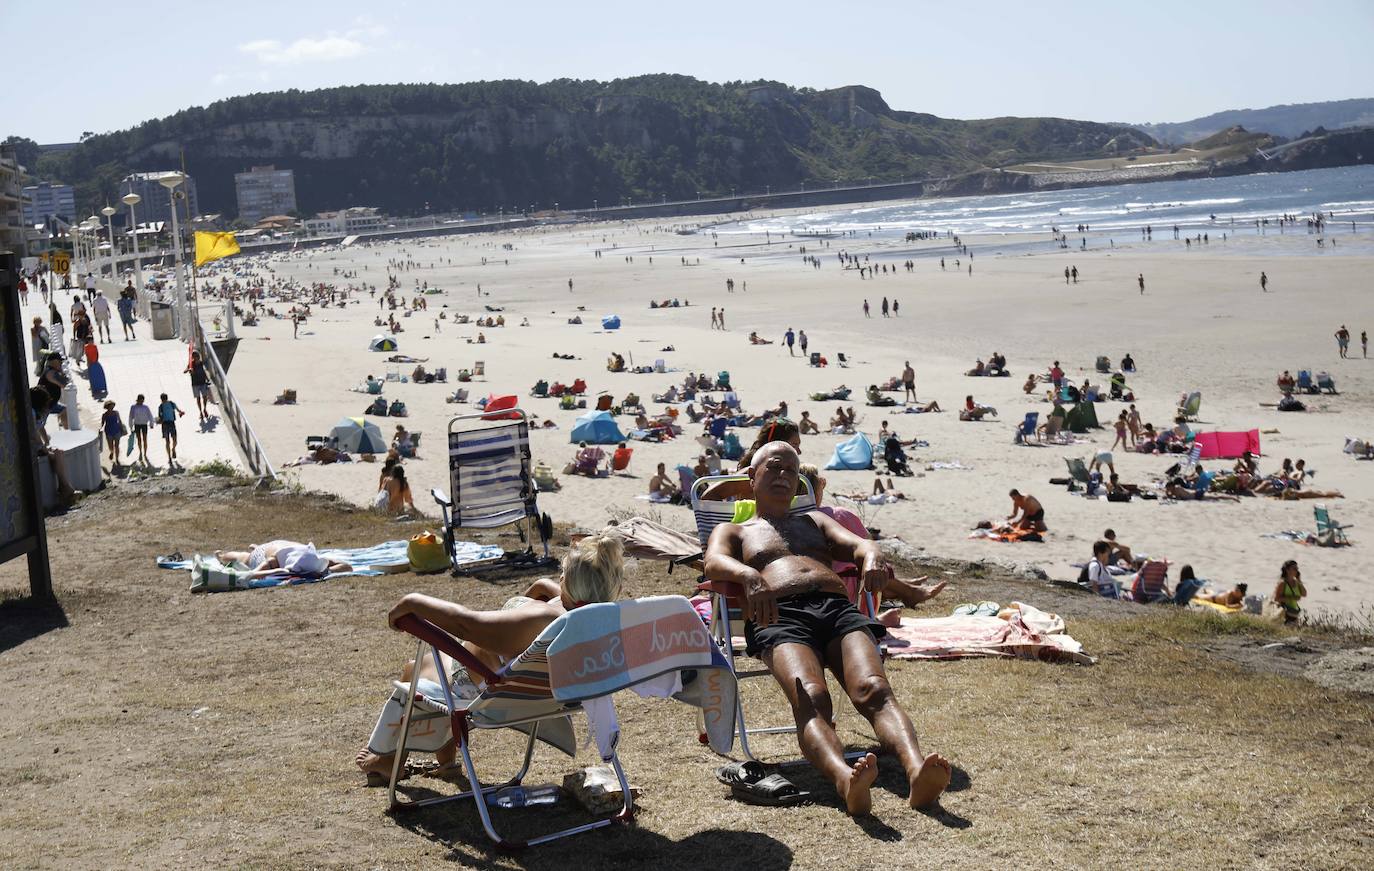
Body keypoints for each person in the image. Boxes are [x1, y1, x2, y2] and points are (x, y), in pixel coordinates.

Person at [704, 443, 950, 815]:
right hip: (780, 615)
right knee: (812, 698)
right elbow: (713, 562)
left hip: (836, 608)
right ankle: (845, 779)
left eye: (793, 470)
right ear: (751, 479)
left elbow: (860, 544)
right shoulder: (735, 530)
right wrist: (749, 574)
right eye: (775, 468)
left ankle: (917, 772)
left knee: (875, 689)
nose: (785, 476)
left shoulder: (815, 522)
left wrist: (872, 557)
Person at [355, 536, 626, 782]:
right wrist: (541, 588)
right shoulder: (596, 617)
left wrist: (412, 602)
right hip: (540, 694)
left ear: (573, 587)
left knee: (415, 670)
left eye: (563, 574)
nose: (559, 578)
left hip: (482, 687)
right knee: (435, 668)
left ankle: (388, 760)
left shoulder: (542, 619)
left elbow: (466, 624)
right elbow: (559, 597)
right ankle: (446, 761)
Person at [216, 540, 352, 580]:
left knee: (249, 554)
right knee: (243, 558)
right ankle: (221, 556)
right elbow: (253, 575)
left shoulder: (311, 557)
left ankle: (255, 546)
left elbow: (346, 566)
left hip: (282, 547)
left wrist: (325, 571)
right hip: (265, 553)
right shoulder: (273, 562)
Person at [156, 393, 184, 463]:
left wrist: (181, 412)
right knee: (168, 441)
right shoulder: (161, 407)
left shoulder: (171, 404)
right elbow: (160, 417)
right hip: (165, 424)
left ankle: (173, 449)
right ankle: (169, 457)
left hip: (170, 423)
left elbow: (178, 410)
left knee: (174, 440)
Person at [185, 350, 212, 422]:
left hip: (202, 382)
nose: (197, 358)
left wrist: (207, 378)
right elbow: (187, 369)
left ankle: (205, 409)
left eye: (197, 356)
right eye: (196, 356)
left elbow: (203, 371)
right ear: (194, 357)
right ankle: (200, 412)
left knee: (205, 397)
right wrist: (188, 370)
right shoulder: (191, 364)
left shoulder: (200, 363)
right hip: (195, 384)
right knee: (198, 398)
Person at [128, 394, 154, 465]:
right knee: (139, 439)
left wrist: (151, 424)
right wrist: (131, 426)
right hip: (137, 425)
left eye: (142, 400)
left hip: (144, 424)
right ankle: (140, 451)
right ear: (138, 400)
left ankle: (145, 452)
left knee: (145, 439)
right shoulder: (133, 407)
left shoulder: (146, 407)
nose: (141, 402)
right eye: (140, 400)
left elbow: (150, 415)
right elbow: (130, 417)